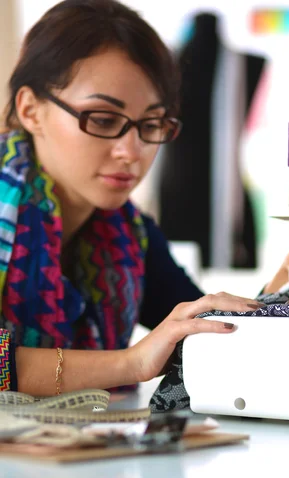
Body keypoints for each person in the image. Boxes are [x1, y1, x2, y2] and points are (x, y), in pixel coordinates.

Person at [0, 0, 266, 398]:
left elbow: (210, 326)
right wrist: (130, 363)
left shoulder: (127, 234)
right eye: (104, 119)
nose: (133, 150)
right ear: (30, 110)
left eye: (152, 124)